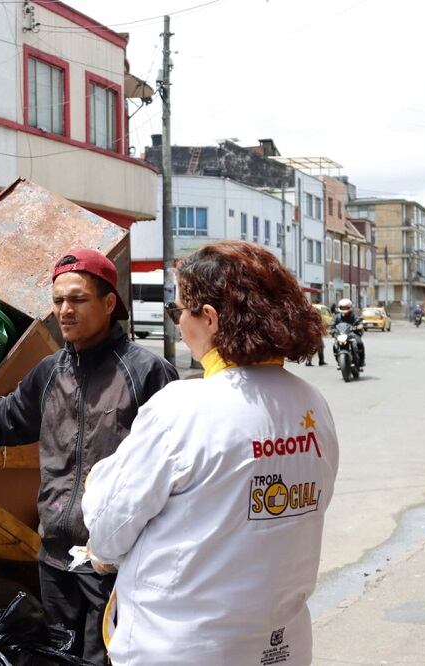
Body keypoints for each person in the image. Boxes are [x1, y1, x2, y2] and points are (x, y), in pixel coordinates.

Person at [81, 241, 339, 665]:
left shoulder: (183, 408)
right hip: (281, 647)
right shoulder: (312, 403)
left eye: (178, 310)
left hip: (182, 647)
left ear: (210, 318)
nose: (178, 323)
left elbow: (110, 529)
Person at [0, 248, 178, 664]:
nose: (64, 310)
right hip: (55, 557)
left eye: (77, 299)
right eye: (58, 301)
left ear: (109, 303)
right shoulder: (50, 372)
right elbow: (1, 418)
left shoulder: (147, 372)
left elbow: (171, 467)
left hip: (113, 562)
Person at [331, 297, 365, 366]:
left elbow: (359, 323)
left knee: (359, 343)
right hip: (341, 334)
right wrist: (332, 330)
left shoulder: (353, 316)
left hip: (352, 334)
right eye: (342, 308)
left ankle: (361, 361)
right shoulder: (337, 317)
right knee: (334, 345)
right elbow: (333, 324)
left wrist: (359, 326)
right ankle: (338, 359)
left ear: (349, 307)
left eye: (346, 308)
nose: (344, 309)